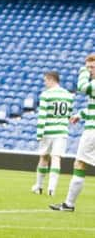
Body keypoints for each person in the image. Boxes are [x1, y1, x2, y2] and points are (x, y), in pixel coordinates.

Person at [50, 54, 95, 211]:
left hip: (93, 132)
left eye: (92, 67)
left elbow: (82, 87)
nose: (90, 71)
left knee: (80, 164)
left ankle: (69, 204)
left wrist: (82, 71)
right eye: (88, 67)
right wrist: (80, 115)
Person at [31, 71, 73, 196]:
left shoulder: (46, 95)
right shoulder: (68, 95)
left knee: (44, 157)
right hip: (61, 131)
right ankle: (51, 189)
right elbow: (68, 114)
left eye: (45, 80)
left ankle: (38, 186)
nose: (45, 83)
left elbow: (42, 115)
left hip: (48, 131)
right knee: (56, 158)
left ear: (50, 79)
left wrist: (39, 133)